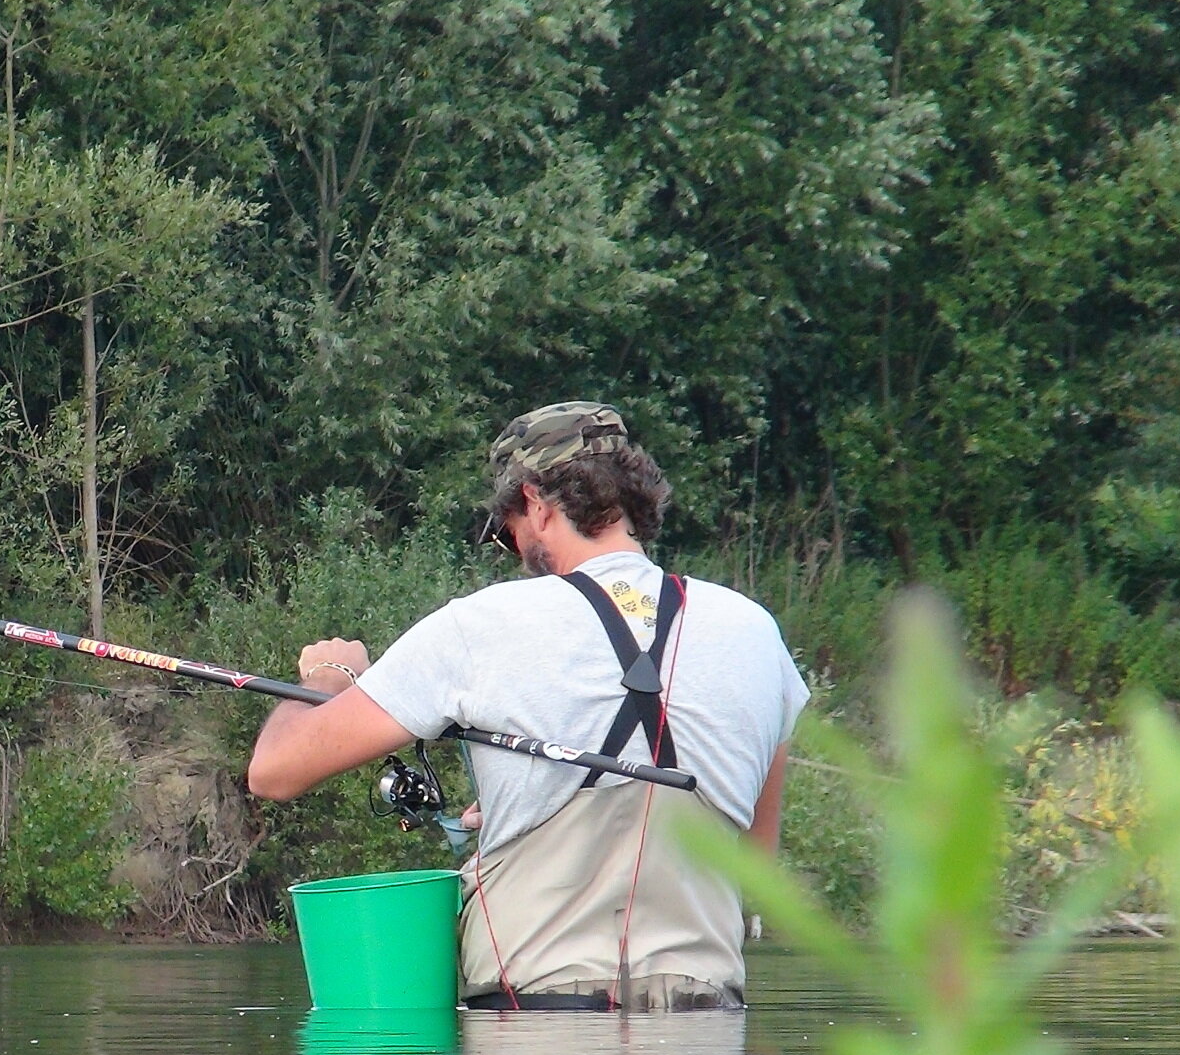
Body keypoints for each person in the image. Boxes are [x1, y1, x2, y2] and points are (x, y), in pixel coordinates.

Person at [246, 402, 806, 1010]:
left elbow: (275, 771)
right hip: (709, 1041)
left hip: (535, 1033)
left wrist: (331, 675)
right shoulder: (756, 634)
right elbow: (758, 873)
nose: (512, 548)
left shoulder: (479, 627)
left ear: (536, 504)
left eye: (507, 528)